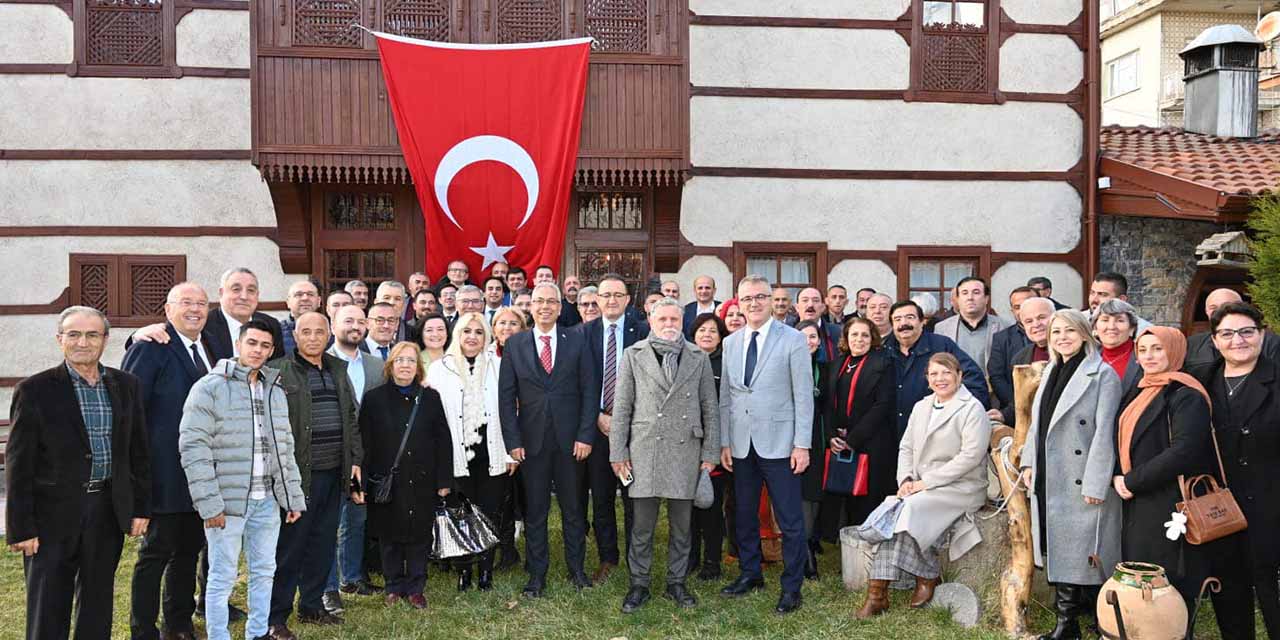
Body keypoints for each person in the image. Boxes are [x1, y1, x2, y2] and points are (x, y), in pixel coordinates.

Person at [8, 306, 151, 640]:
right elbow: (19, 464)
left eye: (91, 334)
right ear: (60, 340)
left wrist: (141, 506)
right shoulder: (35, 390)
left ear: (105, 339)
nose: (83, 342)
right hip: (51, 516)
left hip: (106, 511)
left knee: (97, 603)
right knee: (48, 605)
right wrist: (21, 527)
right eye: (73, 334)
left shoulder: (126, 385)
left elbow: (138, 452)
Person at [179, 320, 306, 640]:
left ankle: (257, 633)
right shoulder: (209, 387)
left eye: (265, 345)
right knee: (222, 576)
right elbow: (193, 448)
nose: (258, 350)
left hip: (267, 501)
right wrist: (209, 504)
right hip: (228, 502)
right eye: (252, 343)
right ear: (238, 344)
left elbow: (284, 447)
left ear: (273, 350)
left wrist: (291, 497)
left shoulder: (274, 389)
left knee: (264, 572)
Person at [855, 353, 991, 619]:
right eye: (934, 374)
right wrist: (905, 480)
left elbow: (970, 457)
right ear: (927, 379)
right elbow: (906, 447)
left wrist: (924, 483)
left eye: (946, 372)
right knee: (900, 508)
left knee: (906, 511)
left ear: (959, 376)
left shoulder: (971, 408)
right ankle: (881, 592)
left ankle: (919, 578)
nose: (940, 379)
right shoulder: (922, 406)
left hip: (961, 487)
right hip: (921, 485)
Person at [610, 298, 720, 613]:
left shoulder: (698, 357)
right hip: (645, 450)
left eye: (675, 319)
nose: (669, 324)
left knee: (682, 527)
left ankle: (677, 582)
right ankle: (639, 584)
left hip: (686, 449)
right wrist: (618, 452)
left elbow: (710, 409)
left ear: (682, 321)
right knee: (642, 526)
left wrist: (710, 451)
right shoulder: (633, 355)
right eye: (663, 319)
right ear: (651, 321)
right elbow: (622, 409)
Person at [1020, 309, 1122, 640]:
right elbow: (1039, 425)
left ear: (1084, 334)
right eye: (1055, 332)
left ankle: (1075, 623)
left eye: (1069, 331)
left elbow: (1105, 431)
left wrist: (1096, 482)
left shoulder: (1102, 375)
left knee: (1081, 551)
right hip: (1050, 471)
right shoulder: (1051, 370)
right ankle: (1070, 623)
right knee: (1060, 546)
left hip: (1080, 475)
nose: (1062, 337)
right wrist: (1028, 463)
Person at [718, 275, 814, 615]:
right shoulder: (731, 343)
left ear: (771, 300)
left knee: (789, 520)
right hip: (742, 445)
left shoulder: (792, 340)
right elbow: (726, 397)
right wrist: (725, 440)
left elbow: (803, 396)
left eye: (760, 297)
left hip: (781, 445)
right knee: (743, 514)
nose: (754, 303)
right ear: (738, 303)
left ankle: (792, 587)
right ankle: (750, 573)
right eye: (747, 299)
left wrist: (802, 444)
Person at [498, 282, 599, 597]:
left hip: (572, 444)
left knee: (573, 510)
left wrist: (585, 435)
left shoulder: (577, 341)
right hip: (531, 444)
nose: (545, 306)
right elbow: (506, 397)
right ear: (530, 306)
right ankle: (536, 575)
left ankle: (577, 571)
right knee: (536, 512)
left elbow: (589, 391)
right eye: (539, 301)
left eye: (551, 302)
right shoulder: (515, 344)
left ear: (559, 307)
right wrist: (513, 442)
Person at [123, 284, 212, 640]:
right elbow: (132, 411)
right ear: (167, 308)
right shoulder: (150, 347)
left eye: (201, 304)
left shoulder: (208, 346)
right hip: (161, 472)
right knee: (155, 554)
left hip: (199, 473)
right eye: (186, 302)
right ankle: (143, 629)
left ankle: (178, 625)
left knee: (189, 550)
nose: (195, 309)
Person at [1188, 302, 1280, 640]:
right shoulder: (1198, 382)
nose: (1237, 340)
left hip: (1271, 505)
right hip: (1219, 509)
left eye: (1246, 331)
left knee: (1273, 592)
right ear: (1214, 340)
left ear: (1262, 334)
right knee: (1229, 593)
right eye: (1227, 333)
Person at [267, 312, 361, 635]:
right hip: (297, 477)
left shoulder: (337, 370)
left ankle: (311, 606)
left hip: (333, 473)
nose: (312, 337)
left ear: (329, 335)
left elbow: (351, 418)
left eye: (318, 331)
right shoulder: (278, 371)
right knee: (290, 547)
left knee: (322, 543)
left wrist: (354, 465)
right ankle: (275, 616)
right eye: (305, 331)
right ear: (295, 334)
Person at [1113, 326, 1213, 610]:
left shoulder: (1185, 393)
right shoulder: (1140, 389)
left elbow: (1184, 451)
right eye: (1142, 350)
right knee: (1142, 579)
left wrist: (1131, 481)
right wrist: (1117, 478)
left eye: (1158, 348)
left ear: (1175, 350)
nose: (1149, 356)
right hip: (1138, 498)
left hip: (1169, 498)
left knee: (1167, 582)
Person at [426, 314, 516, 592]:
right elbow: (432, 418)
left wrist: (511, 453)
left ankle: (486, 571)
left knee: (490, 514)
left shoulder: (500, 366)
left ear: (486, 336)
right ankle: (464, 572)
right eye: (467, 331)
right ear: (457, 334)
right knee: (461, 515)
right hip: (455, 455)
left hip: (492, 452)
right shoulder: (441, 369)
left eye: (479, 331)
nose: (472, 337)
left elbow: (512, 410)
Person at [362, 342, 453, 610]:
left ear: (418, 367)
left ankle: (415, 587)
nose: (405, 365)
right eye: (400, 360)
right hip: (387, 481)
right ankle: (393, 586)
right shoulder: (374, 399)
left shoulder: (430, 398)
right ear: (390, 365)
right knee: (389, 535)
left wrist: (444, 481)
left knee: (419, 535)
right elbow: (365, 443)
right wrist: (363, 481)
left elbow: (443, 441)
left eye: (411, 361)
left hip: (423, 479)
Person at [580, 274, 649, 584]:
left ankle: (638, 557)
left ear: (627, 299)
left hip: (635, 430)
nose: (610, 300)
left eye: (617, 295)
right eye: (605, 295)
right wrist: (596, 415)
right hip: (597, 428)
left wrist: (626, 420)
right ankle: (608, 557)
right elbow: (576, 384)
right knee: (603, 497)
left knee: (633, 495)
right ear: (597, 300)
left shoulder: (644, 333)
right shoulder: (581, 334)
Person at [323, 305, 386, 615]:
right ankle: (328, 587)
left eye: (362, 321)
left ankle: (351, 578)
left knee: (356, 518)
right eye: (349, 320)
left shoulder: (376, 366)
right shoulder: (320, 363)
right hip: (330, 454)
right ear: (333, 324)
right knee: (327, 522)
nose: (356, 326)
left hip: (365, 455)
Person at [821, 317, 894, 535]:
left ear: (873, 339)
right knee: (844, 493)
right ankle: (844, 540)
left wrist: (853, 440)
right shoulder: (837, 364)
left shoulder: (883, 363)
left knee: (867, 497)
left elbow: (882, 405)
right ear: (846, 338)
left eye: (864, 335)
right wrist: (832, 435)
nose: (859, 339)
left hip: (870, 441)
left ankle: (866, 542)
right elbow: (827, 403)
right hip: (839, 440)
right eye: (854, 334)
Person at [131, 267, 285, 364]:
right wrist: (137, 335)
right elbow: (167, 333)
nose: (244, 296)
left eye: (251, 290)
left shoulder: (270, 324)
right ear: (221, 293)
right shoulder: (202, 321)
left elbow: (276, 366)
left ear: (257, 295)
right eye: (236, 289)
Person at [884, 301, 989, 439]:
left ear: (922, 322)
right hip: (890, 436)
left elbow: (974, 380)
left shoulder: (942, 345)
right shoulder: (884, 351)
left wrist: (955, 416)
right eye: (897, 319)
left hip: (936, 433)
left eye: (910, 317)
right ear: (892, 325)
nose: (904, 323)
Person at [688, 313, 731, 579]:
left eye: (713, 331)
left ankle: (712, 563)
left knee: (711, 508)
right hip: (686, 445)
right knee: (687, 509)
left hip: (713, 444)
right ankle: (690, 558)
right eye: (702, 330)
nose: (707, 334)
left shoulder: (726, 364)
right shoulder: (685, 360)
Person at [488, 306, 527, 569]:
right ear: (493, 329)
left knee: (525, 494)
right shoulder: (485, 356)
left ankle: (529, 544)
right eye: (501, 323)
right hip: (495, 432)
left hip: (528, 432)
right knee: (501, 493)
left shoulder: (531, 352)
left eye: (513, 323)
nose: (507, 328)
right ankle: (505, 547)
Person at [795, 320, 829, 580]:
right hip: (791, 439)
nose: (809, 341)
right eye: (804, 336)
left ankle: (810, 541)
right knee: (798, 495)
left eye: (813, 336)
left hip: (818, 439)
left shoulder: (826, 368)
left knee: (813, 493)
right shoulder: (787, 366)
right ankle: (803, 550)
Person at [991, 296, 1055, 425]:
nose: (1036, 324)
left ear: (1055, 318)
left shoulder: (1067, 351)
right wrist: (1004, 415)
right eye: (1029, 321)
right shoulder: (1021, 358)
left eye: (1042, 317)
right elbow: (1021, 400)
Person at [1184, 288, 1280, 368]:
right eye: (1214, 308)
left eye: (1227, 306)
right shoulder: (1192, 343)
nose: (1220, 312)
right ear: (1206, 312)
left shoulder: (1272, 343)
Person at [933, 277, 1008, 376]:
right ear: (958, 299)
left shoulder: (1004, 327)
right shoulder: (942, 329)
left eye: (976, 293)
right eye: (964, 293)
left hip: (991, 389)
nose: (970, 297)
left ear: (986, 298)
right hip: (955, 388)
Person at [989, 286, 1038, 416]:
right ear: (1012, 311)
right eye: (1017, 307)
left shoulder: (1056, 336)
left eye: (1027, 304)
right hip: (1014, 411)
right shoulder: (1001, 338)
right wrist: (1018, 404)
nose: (1022, 310)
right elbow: (996, 376)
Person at [1093, 299, 1142, 395]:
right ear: (1095, 327)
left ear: (1132, 328)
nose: (1111, 327)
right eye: (1105, 320)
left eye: (1120, 320)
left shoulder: (1143, 357)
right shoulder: (1088, 356)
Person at [793, 288, 841, 362]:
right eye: (805, 300)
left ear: (823, 307)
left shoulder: (837, 333)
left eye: (815, 301)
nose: (810, 304)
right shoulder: (787, 332)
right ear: (797, 307)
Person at [280, 280, 321, 355]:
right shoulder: (276, 332)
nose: (305, 298)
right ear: (288, 302)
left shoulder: (331, 332)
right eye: (298, 294)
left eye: (310, 294)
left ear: (318, 301)